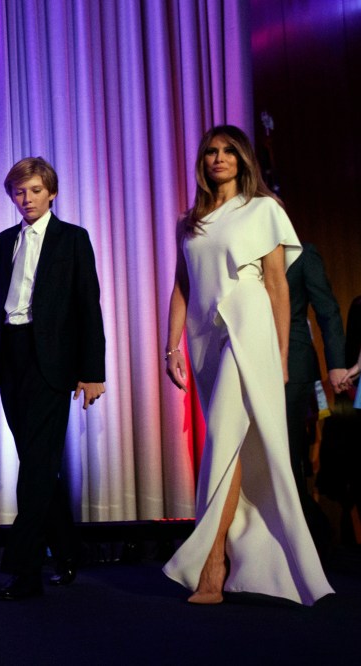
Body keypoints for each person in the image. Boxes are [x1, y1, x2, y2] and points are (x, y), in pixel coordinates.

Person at [162, 124, 333, 605]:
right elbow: (182, 287)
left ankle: (212, 562)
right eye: (211, 151)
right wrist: (171, 348)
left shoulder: (263, 209)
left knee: (223, 436)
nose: (219, 158)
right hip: (204, 338)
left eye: (228, 151)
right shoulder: (190, 222)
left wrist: (279, 357)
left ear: (242, 160)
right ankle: (236, 555)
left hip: (249, 328)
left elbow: (277, 286)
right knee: (230, 444)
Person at [0, 157, 106, 600]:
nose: (27, 199)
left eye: (35, 190)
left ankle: (25, 569)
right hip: (12, 356)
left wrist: (92, 372)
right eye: (19, 192)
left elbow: (88, 305)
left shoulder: (73, 239)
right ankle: (70, 550)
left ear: (51, 193)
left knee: (36, 466)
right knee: (38, 463)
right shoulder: (4, 241)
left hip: (51, 362)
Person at [285, 243, 347, 543]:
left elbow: (327, 311)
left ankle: (310, 538)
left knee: (289, 454)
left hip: (295, 365)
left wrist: (336, 365)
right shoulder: (247, 255)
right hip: (250, 364)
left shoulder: (303, 255)